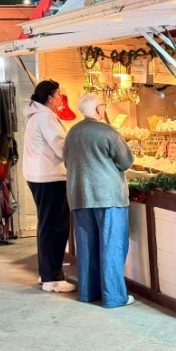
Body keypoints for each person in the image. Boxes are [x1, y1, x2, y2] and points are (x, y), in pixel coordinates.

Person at [64, 94, 136, 308]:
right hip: (108, 197)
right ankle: (114, 297)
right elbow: (126, 161)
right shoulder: (107, 131)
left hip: (79, 196)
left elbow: (67, 161)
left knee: (86, 246)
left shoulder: (72, 133)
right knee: (112, 246)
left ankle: (87, 292)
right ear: (98, 109)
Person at [22, 80, 74, 293]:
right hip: (49, 177)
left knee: (46, 225)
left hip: (38, 175)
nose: (61, 98)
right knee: (55, 226)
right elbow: (61, 147)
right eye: (59, 94)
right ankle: (53, 278)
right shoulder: (45, 117)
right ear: (50, 97)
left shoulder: (35, 116)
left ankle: (47, 273)